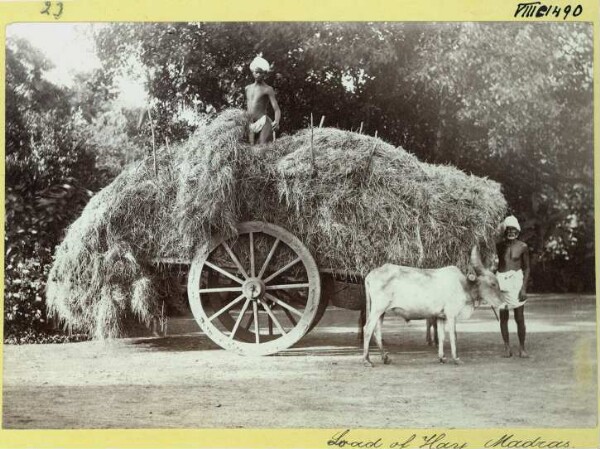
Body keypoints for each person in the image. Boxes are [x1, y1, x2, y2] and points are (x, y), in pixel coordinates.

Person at [496, 215, 530, 358]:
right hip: (502, 281)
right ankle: (507, 348)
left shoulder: (523, 246)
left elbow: (527, 268)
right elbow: (494, 235)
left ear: (518, 231)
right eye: (508, 229)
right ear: (505, 231)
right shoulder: (499, 245)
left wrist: (523, 288)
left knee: (519, 317)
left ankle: (522, 348)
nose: (511, 232)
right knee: (503, 317)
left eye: (513, 229)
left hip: (516, 282)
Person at [245, 55, 281, 145]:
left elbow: (276, 109)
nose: (258, 75)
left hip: (263, 122)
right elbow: (248, 107)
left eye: (261, 73)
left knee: (262, 146)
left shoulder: (267, 89)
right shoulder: (247, 88)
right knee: (250, 148)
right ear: (253, 72)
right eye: (256, 72)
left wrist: (276, 121)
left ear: (264, 74)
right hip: (250, 124)